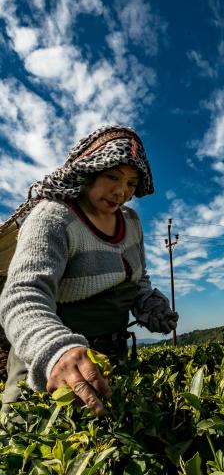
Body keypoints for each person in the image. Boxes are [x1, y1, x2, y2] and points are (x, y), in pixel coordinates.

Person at [0, 125, 178, 416]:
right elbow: (23, 294)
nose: (121, 192)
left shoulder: (131, 223)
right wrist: (56, 350)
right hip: (49, 365)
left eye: (132, 183)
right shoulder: (54, 217)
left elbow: (137, 279)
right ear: (88, 171)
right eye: (112, 177)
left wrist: (149, 305)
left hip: (107, 361)